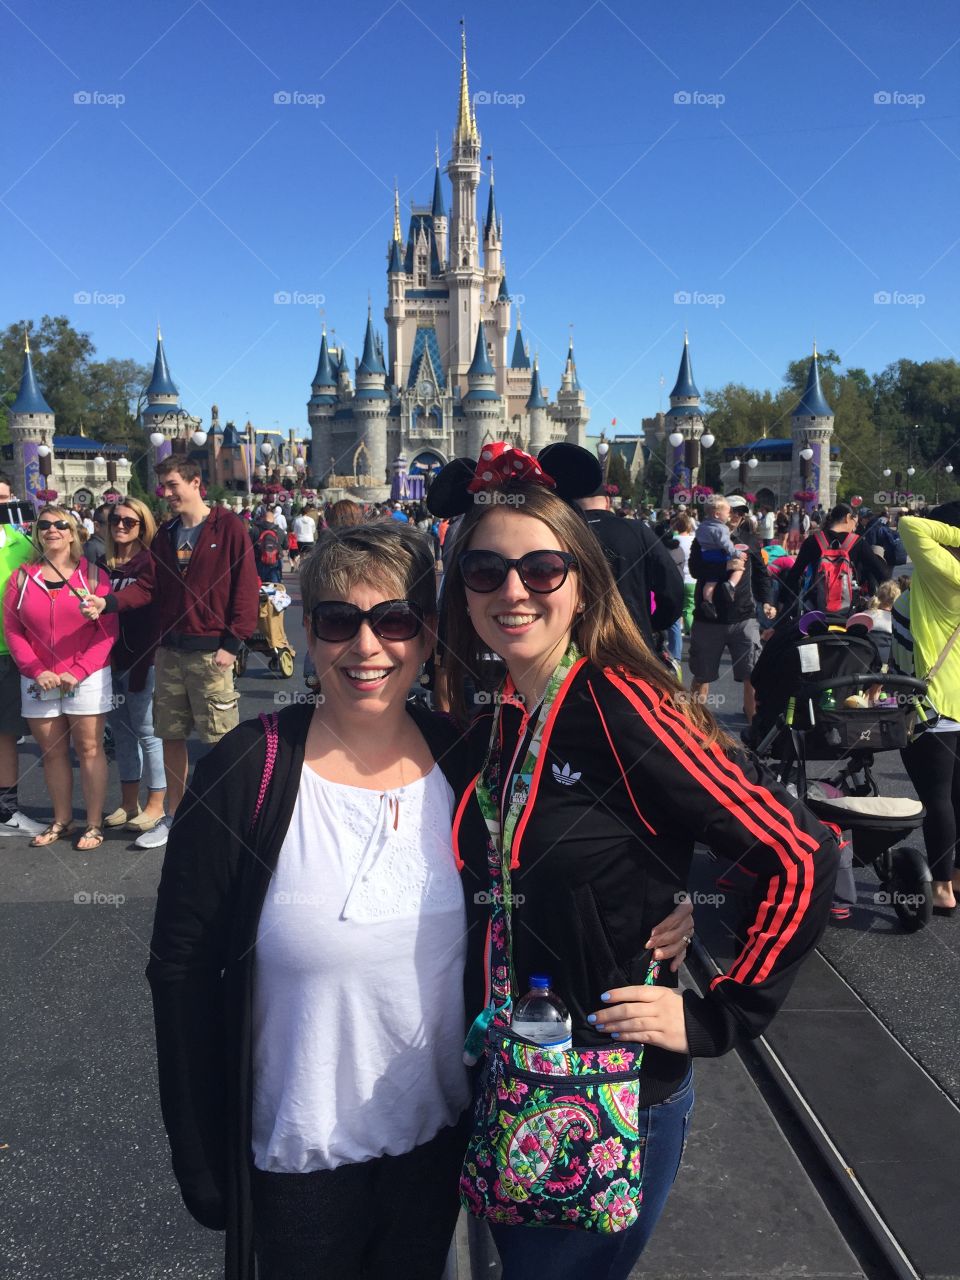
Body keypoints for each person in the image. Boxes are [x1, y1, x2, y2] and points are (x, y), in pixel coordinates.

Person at [146, 519, 694, 1280]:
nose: (366, 647)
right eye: (339, 621)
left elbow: (578, 852)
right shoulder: (250, 771)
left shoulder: (468, 759)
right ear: (309, 634)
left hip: (439, 1142)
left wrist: (672, 905)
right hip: (299, 1153)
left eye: (394, 620)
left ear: (428, 636)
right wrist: (199, 1151)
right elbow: (182, 967)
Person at [431, 447, 838, 1280]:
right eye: (485, 569)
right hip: (510, 1076)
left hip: (601, 1089)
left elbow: (798, 852)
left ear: (579, 581)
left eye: (541, 568)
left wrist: (716, 1014)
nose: (513, 590)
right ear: (461, 587)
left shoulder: (622, 704)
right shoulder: (501, 714)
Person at [81, 458, 258, 849]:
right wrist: (107, 603)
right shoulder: (166, 534)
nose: (166, 493)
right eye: (163, 486)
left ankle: (230, 817)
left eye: (173, 484)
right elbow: (148, 587)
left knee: (220, 740)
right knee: (171, 737)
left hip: (212, 653)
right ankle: (174, 816)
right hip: (171, 652)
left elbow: (246, 587)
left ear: (197, 483)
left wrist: (232, 644)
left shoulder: (227, 527)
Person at [3, 505, 118, 849]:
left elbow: (107, 630)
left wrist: (78, 671)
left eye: (60, 524)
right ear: (37, 534)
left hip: (86, 675)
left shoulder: (94, 577)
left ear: (73, 533)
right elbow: (13, 629)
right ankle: (62, 820)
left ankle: (94, 824)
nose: (52, 530)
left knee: (89, 748)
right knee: (51, 752)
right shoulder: (22, 578)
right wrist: (37, 670)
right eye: (45, 525)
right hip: (39, 679)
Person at [897, 506, 960, 915]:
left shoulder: (943, 575)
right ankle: (955, 878)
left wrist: (952, 533)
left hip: (932, 704)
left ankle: (940, 888)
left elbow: (910, 524)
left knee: (937, 799)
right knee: (957, 797)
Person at [98, 498, 167, 833]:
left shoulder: (150, 561)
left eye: (130, 521)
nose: (121, 526)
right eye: (116, 520)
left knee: (147, 732)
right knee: (121, 734)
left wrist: (108, 602)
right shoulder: (101, 563)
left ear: (144, 525)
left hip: (143, 658)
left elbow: (142, 595)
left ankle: (156, 804)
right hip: (107, 660)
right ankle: (128, 804)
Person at [573, 478, 683, 653]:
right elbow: (672, 587)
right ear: (607, 501)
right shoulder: (637, 530)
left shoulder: (564, 533)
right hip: (633, 640)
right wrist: (652, 624)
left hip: (578, 643)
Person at [688, 503, 774, 721]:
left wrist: (767, 601)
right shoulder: (704, 538)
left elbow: (762, 574)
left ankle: (754, 728)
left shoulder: (750, 540)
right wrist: (724, 568)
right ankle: (695, 726)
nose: (737, 516)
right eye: (733, 511)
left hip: (744, 617)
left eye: (741, 512)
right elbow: (695, 569)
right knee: (701, 676)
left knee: (751, 676)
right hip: (710, 618)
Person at [0, 475, 46, 837]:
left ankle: (5, 812)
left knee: (4, 734)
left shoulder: (23, 544)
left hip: (8, 652)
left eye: (3, 498)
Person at [783, 501, 890, 617]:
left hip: (816, 609)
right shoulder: (858, 543)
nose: (855, 527)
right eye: (855, 522)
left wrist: (782, 606)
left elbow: (794, 574)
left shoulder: (813, 541)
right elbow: (881, 574)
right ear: (848, 517)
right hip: (850, 610)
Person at [693, 496, 744, 619]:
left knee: (711, 582)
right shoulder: (721, 528)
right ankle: (730, 585)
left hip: (706, 554)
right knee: (739, 567)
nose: (730, 516)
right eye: (728, 513)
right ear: (717, 514)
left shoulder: (702, 526)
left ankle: (708, 602)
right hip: (718, 554)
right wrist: (736, 553)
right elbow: (726, 544)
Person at [673, 512, 696, 634]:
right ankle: (690, 631)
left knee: (677, 608)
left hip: (677, 579)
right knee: (689, 607)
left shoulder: (673, 540)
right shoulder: (695, 540)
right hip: (693, 579)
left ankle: (683, 630)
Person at [251, 507, 288, 584]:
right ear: (273, 519)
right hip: (274, 563)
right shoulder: (280, 531)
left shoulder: (255, 530)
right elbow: (286, 546)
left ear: (263, 518)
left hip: (258, 561)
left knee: (259, 586)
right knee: (275, 587)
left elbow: (248, 544)